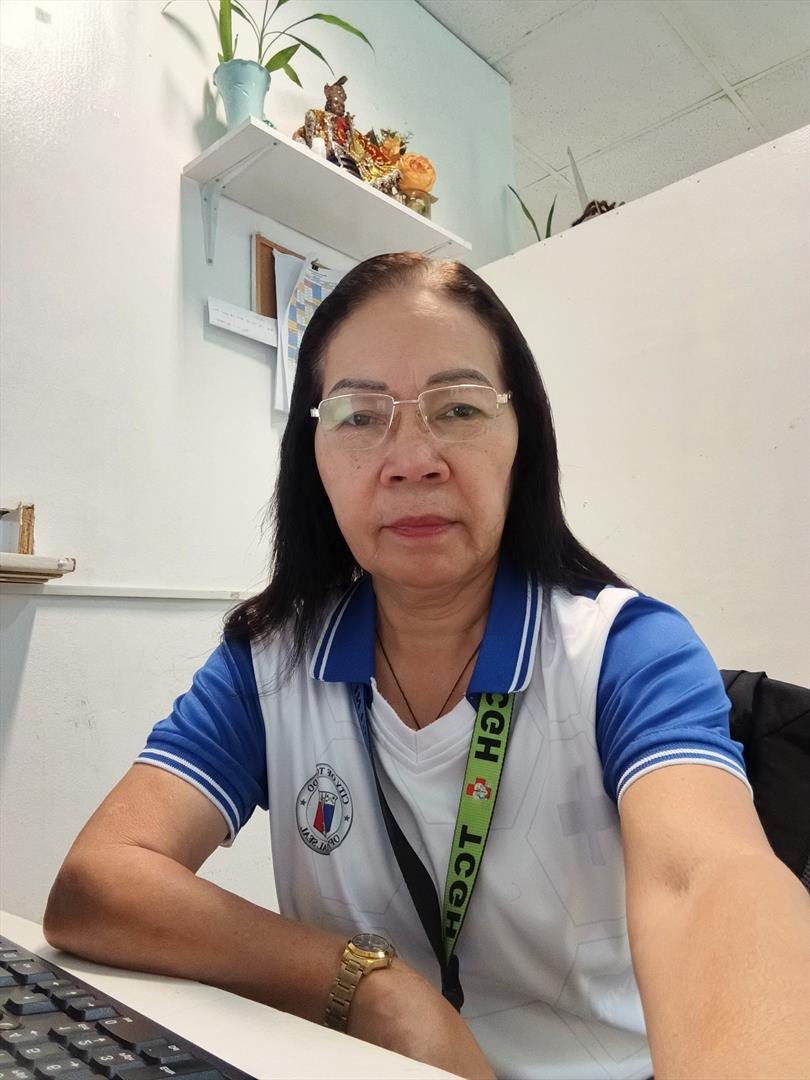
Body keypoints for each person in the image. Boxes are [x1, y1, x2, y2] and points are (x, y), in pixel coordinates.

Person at [44, 253, 809, 1080]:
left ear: (522, 440)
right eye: (360, 416)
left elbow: (707, 883)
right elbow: (98, 881)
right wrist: (373, 990)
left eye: (459, 409)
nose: (412, 458)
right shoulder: (269, 660)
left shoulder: (625, 649)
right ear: (313, 456)